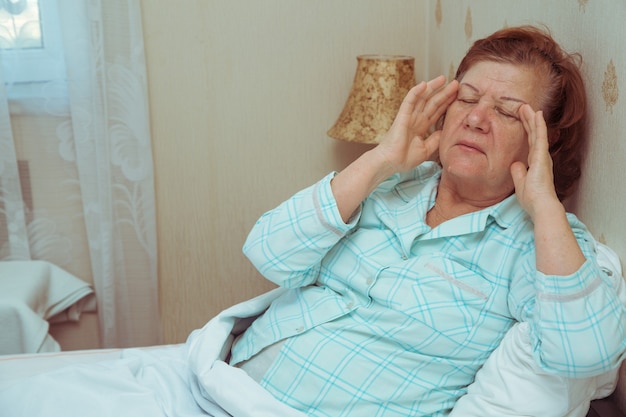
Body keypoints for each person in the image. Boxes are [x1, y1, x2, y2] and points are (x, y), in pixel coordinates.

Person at [229, 25, 626, 416]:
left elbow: (584, 355)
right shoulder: (388, 186)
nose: (475, 119)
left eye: (506, 111)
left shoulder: (537, 241)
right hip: (222, 381)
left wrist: (544, 205)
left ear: (546, 140)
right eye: (467, 99)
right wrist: (380, 159)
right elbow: (268, 253)